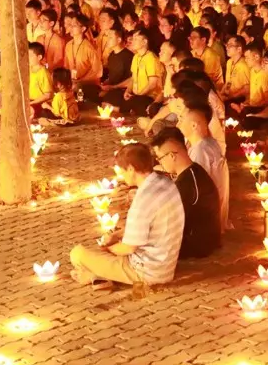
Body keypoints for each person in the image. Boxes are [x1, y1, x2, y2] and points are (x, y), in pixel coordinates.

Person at [70, 143, 185, 289]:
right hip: (166, 265)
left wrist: (108, 249)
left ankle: (96, 276)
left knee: (78, 254)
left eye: (122, 171)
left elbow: (128, 248)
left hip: (146, 272)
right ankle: (100, 276)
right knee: (102, 257)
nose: (122, 176)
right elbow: (147, 228)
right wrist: (118, 235)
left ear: (131, 169)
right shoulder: (165, 182)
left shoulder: (143, 199)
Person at [150, 127, 221, 259]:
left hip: (196, 244)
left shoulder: (187, 184)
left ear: (171, 156)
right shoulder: (194, 170)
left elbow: (169, 222)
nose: (160, 163)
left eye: (159, 158)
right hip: (204, 238)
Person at [178, 105, 230, 231]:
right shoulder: (209, 143)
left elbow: (195, 189)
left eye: (181, 119)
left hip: (207, 219)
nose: (178, 123)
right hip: (215, 213)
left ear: (194, 125)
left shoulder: (201, 150)